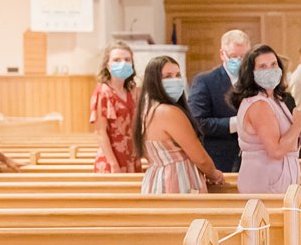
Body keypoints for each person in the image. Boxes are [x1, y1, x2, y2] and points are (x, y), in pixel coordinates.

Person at [134, 56, 224, 193]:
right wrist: (215, 174)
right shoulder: (168, 112)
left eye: (178, 75)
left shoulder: (147, 110)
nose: (175, 80)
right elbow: (200, 158)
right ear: (154, 82)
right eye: (168, 76)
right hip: (177, 181)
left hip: (156, 179)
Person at [230, 45, 301, 193]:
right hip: (265, 181)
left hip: (281, 180)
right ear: (251, 73)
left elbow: (287, 138)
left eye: (273, 64)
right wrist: (298, 124)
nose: (270, 70)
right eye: (263, 66)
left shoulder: (275, 99)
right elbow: (276, 151)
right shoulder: (258, 104)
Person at [188, 29, 250, 174]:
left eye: (244, 57)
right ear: (222, 54)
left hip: (252, 160)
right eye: (234, 56)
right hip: (219, 160)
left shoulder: (253, 81)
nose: (239, 61)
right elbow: (199, 122)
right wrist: (237, 123)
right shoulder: (205, 81)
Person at [90, 41, 139, 173]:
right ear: (107, 65)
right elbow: (101, 133)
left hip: (131, 157)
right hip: (111, 158)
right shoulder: (103, 92)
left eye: (127, 59)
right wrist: (113, 164)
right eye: (117, 60)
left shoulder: (132, 91)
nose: (123, 63)